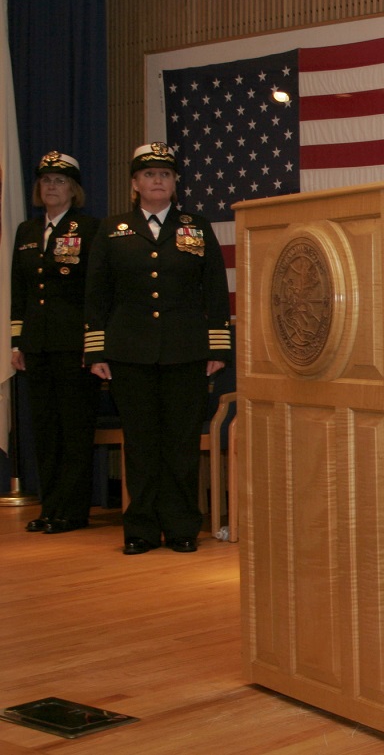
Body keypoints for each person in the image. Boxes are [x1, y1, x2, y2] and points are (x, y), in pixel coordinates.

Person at [84, 143, 232, 555]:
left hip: (186, 351)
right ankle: (141, 530)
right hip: (129, 353)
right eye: (149, 175)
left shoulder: (196, 227)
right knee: (142, 444)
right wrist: (96, 351)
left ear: (175, 182)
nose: (157, 181)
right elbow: (96, 294)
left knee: (181, 443)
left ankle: (183, 527)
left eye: (165, 174)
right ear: (135, 183)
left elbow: (215, 291)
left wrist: (218, 347)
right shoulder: (113, 230)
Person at [10, 151, 100, 534]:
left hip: (73, 344)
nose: (51, 186)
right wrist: (17, 341)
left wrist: (93, 342)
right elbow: (20, 290)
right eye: (46, 180)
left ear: (74, 189)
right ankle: (50, 507)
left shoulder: (90, 229)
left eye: (60, 181)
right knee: (45, 429)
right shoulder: (27, 232)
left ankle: (73, 511)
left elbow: (95, 291)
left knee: (74, 429)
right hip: (37, 344)